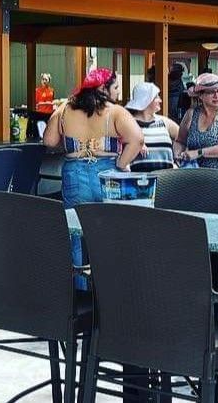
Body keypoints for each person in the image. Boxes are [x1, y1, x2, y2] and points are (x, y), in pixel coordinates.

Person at [44, 68, 145, 285]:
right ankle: (111, 288)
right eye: (116, 87)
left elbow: (49, 141)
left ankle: (80, 288)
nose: (118, 92)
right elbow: (136, 138)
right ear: (103, 88)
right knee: (111, 232)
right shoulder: (115, 112)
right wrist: (120, 163)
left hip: (74, 173)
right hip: (108, 173)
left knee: (76, 232)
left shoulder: (64, 109)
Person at [175, 73, 218, 171]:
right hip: (194, 176)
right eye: (211, 92)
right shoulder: (191, 113)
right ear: (200, 95)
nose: (217, 95)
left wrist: (199, 152)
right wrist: (178, 155)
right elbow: (180, 141)